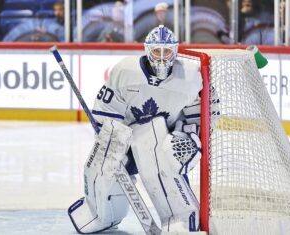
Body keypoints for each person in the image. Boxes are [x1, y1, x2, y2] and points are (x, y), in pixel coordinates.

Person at [67, 25, 211, 233]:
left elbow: (196, 118)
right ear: (147, 50)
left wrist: (188, 139)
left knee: (163, 164)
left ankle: (180, 219)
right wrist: (111, 139)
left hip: (164, 140)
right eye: (156, 51)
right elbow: (107, 112)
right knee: (100, 163)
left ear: (175, 51)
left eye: (167, 51)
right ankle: (99, 213)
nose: (161, 58)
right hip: (127, 135)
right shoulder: (125, 71)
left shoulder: (189, 77)